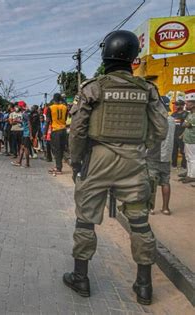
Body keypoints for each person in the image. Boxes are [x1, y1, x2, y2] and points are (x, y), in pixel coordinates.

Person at [64, 30, 168, 305]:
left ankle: (81, 278)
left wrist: (76, 161)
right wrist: (139, 146)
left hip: (97, 158)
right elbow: (161, 128)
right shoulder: (147, 89)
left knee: (85, 219)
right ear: (133, 57)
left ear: (105, 54)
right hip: (133, 162)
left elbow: (77, 130)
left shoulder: (93, 87)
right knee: (140, 223)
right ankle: (144, 285)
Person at [146, 97, 175, 215]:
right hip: (167, 157)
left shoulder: (155, 120)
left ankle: (150, 209)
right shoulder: (172, 120)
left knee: (151, 182)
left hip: (154, 155)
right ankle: (165, 208)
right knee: (165, 182)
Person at [47, 93, 68, 175]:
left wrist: (45, 133)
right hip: (63, 130)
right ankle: (58, 166)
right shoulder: (65, 107)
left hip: (55, 131)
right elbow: (65, 119)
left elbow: (48, 121)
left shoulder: (50, 108)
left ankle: (58, 168)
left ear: (53, 99)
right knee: (61, 149)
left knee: (56, 150)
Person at [181, 90, 195, 184]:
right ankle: (189, 174)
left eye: (188, 102)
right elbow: (184, 124)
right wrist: (186, 124)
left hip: (192, 140)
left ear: (193, 104)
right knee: (188, 157)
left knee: (192, 158)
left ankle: (192, 176)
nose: (186, 104)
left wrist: (186, 124)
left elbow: (187, 124)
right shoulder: (190, 114)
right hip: (187, 139)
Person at [171, 100, 188, 170]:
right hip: (174, 136)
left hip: (182, 136)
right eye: (176, 105)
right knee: (174, 151)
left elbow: (188, 126)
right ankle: (174, 165)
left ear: (182, 105)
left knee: (183, 151)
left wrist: (183, 135)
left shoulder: (186, 114)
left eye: (177, 105)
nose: (176, 106)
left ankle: (183, 166)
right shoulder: (173, 114)